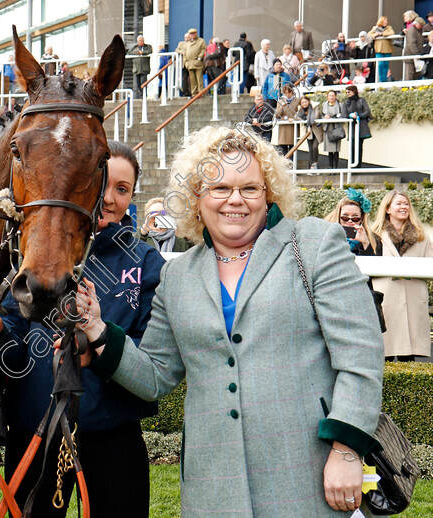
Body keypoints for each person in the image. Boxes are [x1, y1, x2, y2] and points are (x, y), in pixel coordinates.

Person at [78, 125, 383, 517]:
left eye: (250, 188)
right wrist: (97, 330)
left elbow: (361, 356)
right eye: (219, 188)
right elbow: (155, 375)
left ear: (268, 194)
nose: (235, 200)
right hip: (212, 486)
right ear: (197, 198)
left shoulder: (314, 244)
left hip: (309, 475)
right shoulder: (178, 274)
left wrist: (347, 448)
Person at [0, 140, 165, 518]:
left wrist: (102, 342)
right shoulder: (36, 251)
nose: (108, 198)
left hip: (114, 434)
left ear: (133, 196)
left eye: (122, 190)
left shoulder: (146, 261)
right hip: (36, 431)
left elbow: (154, 353)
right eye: (102, 184)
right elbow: (14, 335)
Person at [372, 190, 433, 362]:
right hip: (386, 298)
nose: (403, 207)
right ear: (388, 209)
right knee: (386, 354)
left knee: (409, 355)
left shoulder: (422, 235)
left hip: (412, 298)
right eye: (398, 203)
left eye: (406, 204)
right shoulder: (375, 233)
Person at [325, 189, 380, 256]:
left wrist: (366, 244)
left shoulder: (374, 239)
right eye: (345, 217)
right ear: (338, 216)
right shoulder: (327, 237)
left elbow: (375, 265)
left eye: (355, 218)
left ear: (361, 218)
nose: (350, 221)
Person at [343, 85, 370, 168]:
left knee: (359, 147)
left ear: (354, 91)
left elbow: (367, 111)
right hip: (352, 127)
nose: (347, 94)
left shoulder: (361, 100)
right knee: (352, 147)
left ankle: (358, 166)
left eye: (349, 92)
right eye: (346, 92)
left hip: (361, 126)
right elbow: (344, 115)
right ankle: (352, 166)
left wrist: (359, 115)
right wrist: (350, 116)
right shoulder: (346, 103)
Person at [295, 96, 323, 169]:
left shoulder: (314, 106)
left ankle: (315, 163)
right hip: (308, 131)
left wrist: (305, 119)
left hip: (316, 130)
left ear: (308, 101)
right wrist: (304, 119)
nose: (304, 104)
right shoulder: (301, 110)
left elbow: (316, 116)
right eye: (302, 102)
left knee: (314, 147)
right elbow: (296, 117)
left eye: (305, 102)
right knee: (310, 149)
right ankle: (311, 166)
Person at [321, 90, 345, 169]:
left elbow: (343, 116)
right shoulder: (324, 105)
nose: (331, 97)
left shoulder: (340, 105)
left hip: (336, 128)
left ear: (335, 96)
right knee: (329, 149)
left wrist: (333, 117)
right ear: (327, 97)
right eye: (330, 96)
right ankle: (330, 167)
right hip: (328, 128)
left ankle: (335, 167)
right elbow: (321, 115)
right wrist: (325, 117)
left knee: (336, 149)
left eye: (333, 95)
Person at [369, 17, 395, 83]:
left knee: (386, 64)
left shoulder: (389, 28)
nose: (386, 22)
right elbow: (369, 35)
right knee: (380, 64)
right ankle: (381, 79)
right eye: (385, 20)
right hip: (378, 49)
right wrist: (375, 35)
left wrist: (382, 34)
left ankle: (384, 80)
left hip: (387, 49)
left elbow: (392, 33)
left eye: (386, 20)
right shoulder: (375, 28)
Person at [275, 84, 298, 156]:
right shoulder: (281, 101)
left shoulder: (297, 100)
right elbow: (277, 115)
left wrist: (294, 119)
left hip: (293, 127)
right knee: (283, 149)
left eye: (289, 92)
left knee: (293, 148)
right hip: (283, 128)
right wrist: (281, 108)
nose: (287, 94)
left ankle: (292, 165)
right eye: (285, 93)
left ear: (292, 92)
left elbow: (300, 112)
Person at [183, 28, 206, 96]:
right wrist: (186, 62)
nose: (192, 35)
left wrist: (199, 58)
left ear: (196, 33)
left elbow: (203, 50)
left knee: (199, 79)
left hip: (197, 63)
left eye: (193, 33)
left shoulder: (201, 41)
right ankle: (194, 93)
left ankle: (201, 93)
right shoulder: (187, 43)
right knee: (192, 80)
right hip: (189, 63)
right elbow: (184, 53)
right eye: (191, 34)